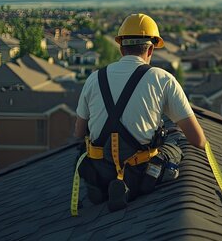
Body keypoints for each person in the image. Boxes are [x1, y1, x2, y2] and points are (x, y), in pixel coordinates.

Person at [74, 13, 206, 212]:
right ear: (151, 49)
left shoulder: (94, 78)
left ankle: (101, 186)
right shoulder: (163, 79)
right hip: (139, 172)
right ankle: (127, 187)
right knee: (175, 141)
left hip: (100, 169)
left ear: (121, 47)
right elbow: (198, 140)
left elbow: (78, 133)